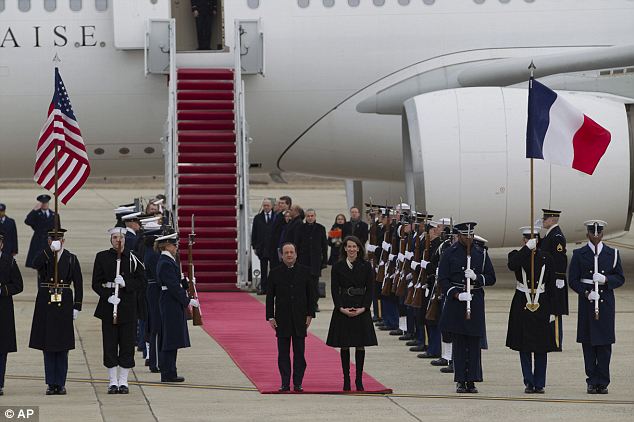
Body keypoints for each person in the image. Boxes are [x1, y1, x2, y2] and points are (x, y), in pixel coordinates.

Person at [438, 222, 496, 394]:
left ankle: (472, 380)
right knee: (460, 343)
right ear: (459, 236)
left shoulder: (481, 253)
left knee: (474, 343)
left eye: (471, 235)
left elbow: (491, 277)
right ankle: (461, 380)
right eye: (465, 236)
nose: (469, 238)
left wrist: (477, 277)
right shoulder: (449, 253)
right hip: (457, 302)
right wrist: (456, 294)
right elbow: (443, 279)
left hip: (475, 301)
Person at [569, 220, 624, 395]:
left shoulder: (612, 254)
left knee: (604, 345)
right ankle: (592, 381)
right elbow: (573, 280)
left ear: (602, 235)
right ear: (587, 235)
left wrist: (606, 280)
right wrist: (586, 293)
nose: (595, 236)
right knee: (588, 345)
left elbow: (620, 278)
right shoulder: (579, 254)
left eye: (598, 233)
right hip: (587, 303)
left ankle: (604, 381)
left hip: (605, 303)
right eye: (592, 233)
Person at [29, 227, 82, 395]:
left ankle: (61, 382)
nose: (55, 242)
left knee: (62, 345)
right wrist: (48, 251)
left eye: (58, 239)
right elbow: (34, 264)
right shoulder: (45, 256)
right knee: (48, 344)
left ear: (64, 241)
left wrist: (77, 306)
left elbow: (79, 284)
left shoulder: (71, 258)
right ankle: (51, 383)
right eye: (52, 239)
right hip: (47, 302)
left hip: (64, 302)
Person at [92, 227, 145, 394]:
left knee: (127, 345)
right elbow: (96, 282)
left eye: (120, 237)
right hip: (109, 306)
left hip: (128, 307)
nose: (117, 240)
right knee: (110, 344)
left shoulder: (133, 257)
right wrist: (107, 295)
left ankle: (124, 381)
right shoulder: (102, 257)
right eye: (115, 237)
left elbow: (142, 282)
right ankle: (112, 381)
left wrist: (126, 284)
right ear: (111, 240)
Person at [506, 227, 557, 394]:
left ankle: (540, 382)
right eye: (526, 238)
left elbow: (551, 285)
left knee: (541, 346)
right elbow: (513, 265)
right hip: (522, 302)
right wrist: (527, 249)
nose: (529, 240)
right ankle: (528, 381)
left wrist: (553, 310)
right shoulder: (516, 254)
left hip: (541, 302)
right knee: (524, 345)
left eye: (532, 238)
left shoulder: (546, 258)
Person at [326, 236, 378, 391]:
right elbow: (334, 290)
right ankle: (347, 379)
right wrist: (340, 307)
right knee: (345, 345)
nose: (351, 249)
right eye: (349, 246)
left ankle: (359, 379)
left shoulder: (366, 266)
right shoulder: (338, 266)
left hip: (360, 308)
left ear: (359, 248)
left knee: (360, 345)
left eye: (354, 247)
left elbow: (370, 289)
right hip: (344, 308)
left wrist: (364, 307)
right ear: (344, 249)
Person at [266, 243, 317, 392]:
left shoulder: (305, 272)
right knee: (283, 353)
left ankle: (298, 382)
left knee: (299, 353)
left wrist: (310, 314)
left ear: (296, 254)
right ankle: (285, 382)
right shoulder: (275, 273)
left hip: (300, 318)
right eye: (286, 252)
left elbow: (311, 296)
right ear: (281, 255)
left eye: (291, 252)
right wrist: (270, 316)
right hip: (282, 319)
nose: (289, 255)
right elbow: (270, 297)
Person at [156, 231, 199, 383]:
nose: (176, 247)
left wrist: (187, 281)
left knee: (172, 338)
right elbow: (173, 286)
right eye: (174, 245)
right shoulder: (165, 262)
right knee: (170, 338)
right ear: (166, 246)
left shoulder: (169, 261)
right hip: (170, 302)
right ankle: (168, 372)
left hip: (171, 302)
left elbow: (177, 282)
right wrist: (187, 301)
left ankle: (170, 370)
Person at [539, 209, 568, 351]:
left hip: (556, 279)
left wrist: (559, 277)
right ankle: (550, 339)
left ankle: (556, 341)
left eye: (545, 218)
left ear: (552, 219)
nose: (543, 220)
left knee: (555, 310)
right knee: (550, 309)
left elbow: (560, 259)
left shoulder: (556, 236)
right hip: (549, 278)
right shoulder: (549, 234)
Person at [0, 231, 23, 396]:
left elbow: (18, 285)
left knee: (1, 349)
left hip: (3, 309)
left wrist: (3, 290)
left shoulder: (9, 261)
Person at [296, 209, 328, 306]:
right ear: (306, 217)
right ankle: (304, 303)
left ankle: (314, 304)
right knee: (303, 283)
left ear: (315, 216)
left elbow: (324, 246)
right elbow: (296, 244)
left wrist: (324, 261)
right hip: (303, 260)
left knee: (314, 284)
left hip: (315, 261)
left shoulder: (320, 228)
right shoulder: (300, 228)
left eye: (312, 216)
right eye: (308, 216)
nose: (310, 218)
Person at [25, 194, 57, 268]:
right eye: (43, 203)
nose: (45, 204)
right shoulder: (36, 214)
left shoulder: (54, 215)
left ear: (48, 203)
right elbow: (27, 221)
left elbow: (57, 229)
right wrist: (34, 210)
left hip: (49, 240)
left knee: (49, 262)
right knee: (37, 262)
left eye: (46, 203)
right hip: (38, 240)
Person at [251, 199, 275, 294]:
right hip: (262, 248)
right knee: (263, 269)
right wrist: (254, 246)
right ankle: (264, 287)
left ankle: (272, 288)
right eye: (264, 205)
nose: (266, 207)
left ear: (271, 206)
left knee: (273, 269)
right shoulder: (258, 218)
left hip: (272, 247)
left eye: (267, 205)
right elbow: (254, 233)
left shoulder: (276, 217)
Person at [269, 196, 292, 269]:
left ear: (288, 205)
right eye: (279, 203)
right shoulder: (278, 214)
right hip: (275, 246)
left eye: (282, 203)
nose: (280, 205)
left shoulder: (290, 215)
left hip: (285, 246)